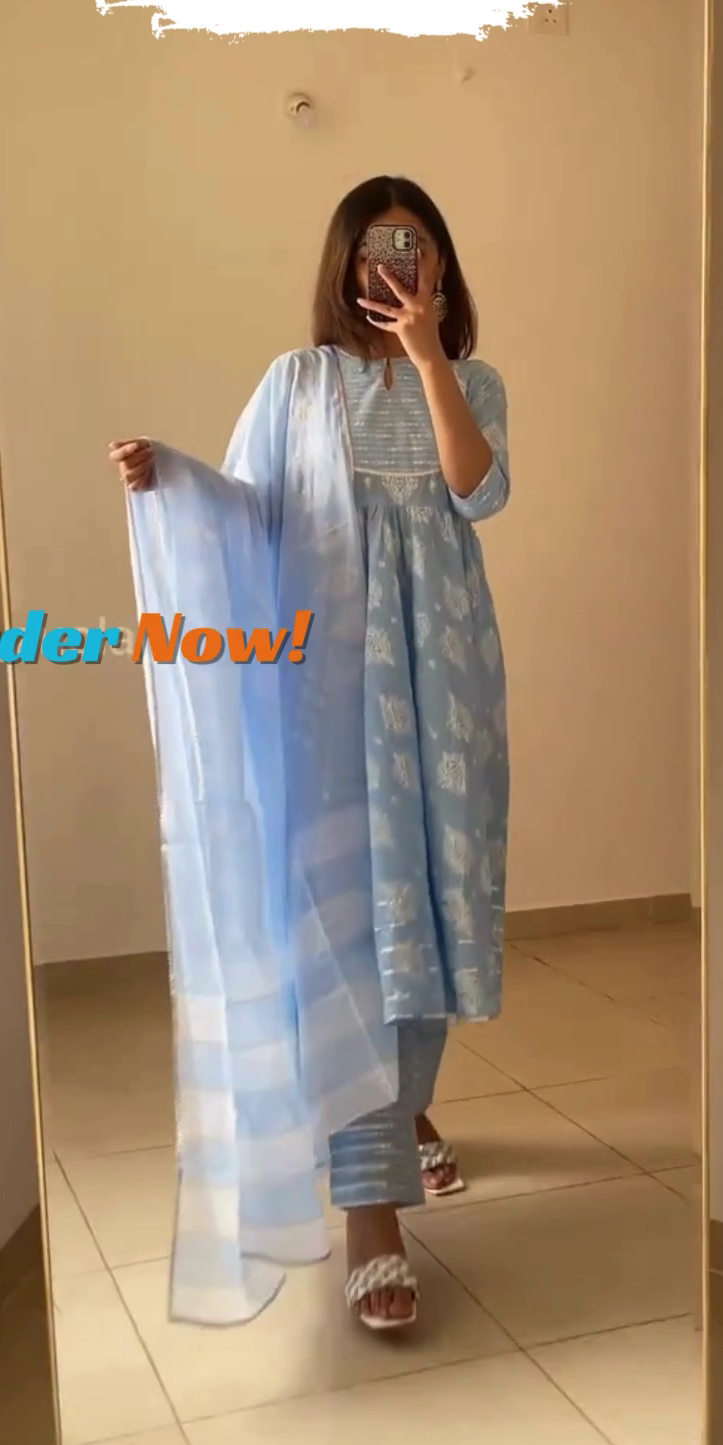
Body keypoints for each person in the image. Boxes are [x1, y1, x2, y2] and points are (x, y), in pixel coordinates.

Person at [110, 175, 510, 1334]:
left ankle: (405, 1105)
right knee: (347, 926)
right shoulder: (296, 384)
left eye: (417, 248)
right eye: (379, 248)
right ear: (345, 263)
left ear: (442, 266)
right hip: (330, 704)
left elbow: (481, 492)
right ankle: (372, 1216)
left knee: (432, 916)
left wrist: (429, 358)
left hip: (448, 698)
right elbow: (254, 515)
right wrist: (173, 480)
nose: (397, 268)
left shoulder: (474, 381)